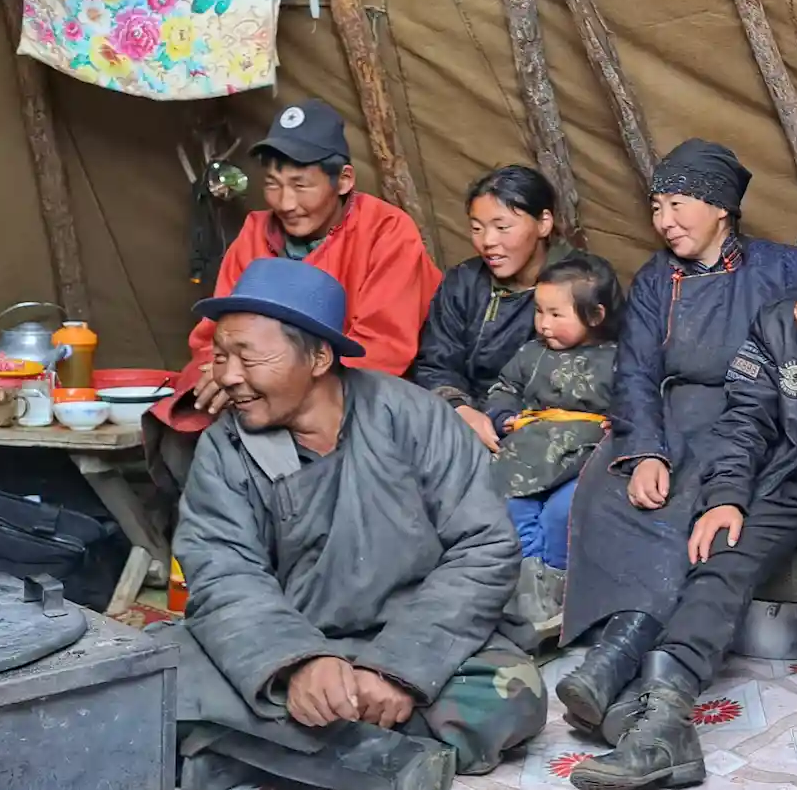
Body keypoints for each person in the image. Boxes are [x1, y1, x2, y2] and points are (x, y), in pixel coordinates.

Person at [570, 200, 797, 790]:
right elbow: (744, 423)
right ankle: (665, 714)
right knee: (725, 548)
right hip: (788, 470)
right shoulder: (777, 323)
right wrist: (725, 496)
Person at [156, 258, 546, 790]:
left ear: (318, 356)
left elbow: (484, 549)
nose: (227, 377)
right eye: (222, 357)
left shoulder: (416, 418)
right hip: (288, 652)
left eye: (247, 357)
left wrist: (397, 669)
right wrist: (296, 665)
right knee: (163, 667)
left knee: (511, 690)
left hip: (409, 642)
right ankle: (377, 762)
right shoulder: (225, 447)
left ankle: (254, 753)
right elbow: (223, 573)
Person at [554, 139, 797, 740]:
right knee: (609, 490)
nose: (664, 221)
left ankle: (620, 656)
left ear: (720, 206)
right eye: (656, 206)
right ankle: (617, 663)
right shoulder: (654, 279)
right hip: (669, 416)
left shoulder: (782, 269)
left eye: (678, 204)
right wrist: (645, 450)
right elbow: (636, 372)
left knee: (689, 499)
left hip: (750, 418)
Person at [148, 99, 442, 493]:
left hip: (352, 398)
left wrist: (279, 386)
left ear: (344, 180)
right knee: (184, 434)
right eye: (272, 184)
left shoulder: (386, 232)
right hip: (257, 389)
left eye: (301, 185)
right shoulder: (255, 233)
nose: (285, 203)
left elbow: (382, 351)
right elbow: (212, 336)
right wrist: (216, 370)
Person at [485, 252, 622, 645]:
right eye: (539, 311)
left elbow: (638, 401)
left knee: (563, 513)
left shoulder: (619, 359)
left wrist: (622, 423)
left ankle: (560, 594)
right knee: (514, 508)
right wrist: (502, 414)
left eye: (557, 314)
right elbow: (504, 388)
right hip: (529, 454)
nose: (544, 323)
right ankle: (529, 596)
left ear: (595, 315)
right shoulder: (531, 354)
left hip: (583, 458)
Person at [416, 165, 577, 452]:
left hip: (549, 428)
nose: (488, 241)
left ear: (544, 223)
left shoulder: (581, 285)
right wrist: (459, 409)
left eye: (502, 227)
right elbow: (436, 363)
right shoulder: (463, 282)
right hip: (468, 423)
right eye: (477, 228)